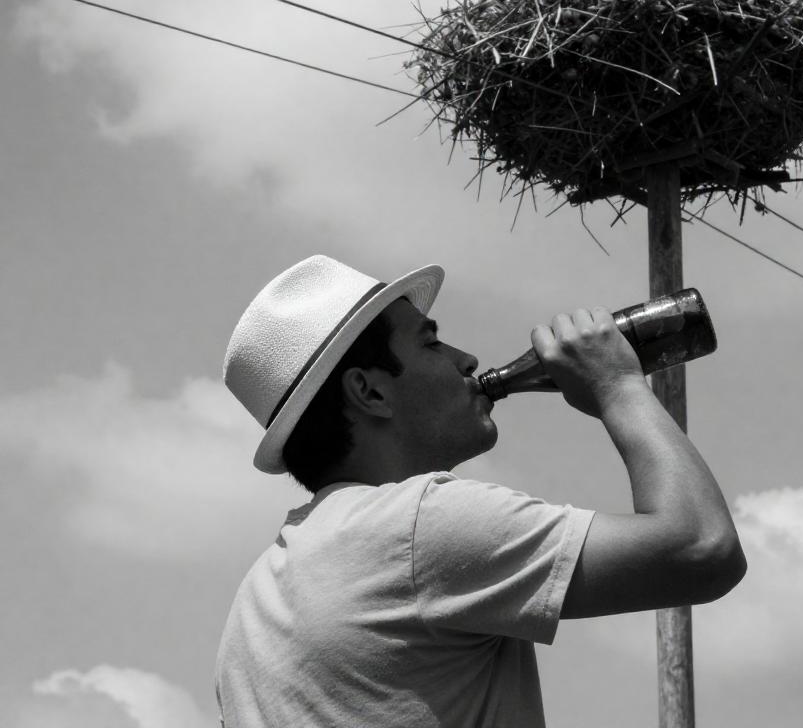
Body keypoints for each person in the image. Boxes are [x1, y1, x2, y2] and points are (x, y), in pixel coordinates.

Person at [216, 254, 745, 728]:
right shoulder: (417, 525)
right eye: (430, 343)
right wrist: (617, 385)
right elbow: (702, 546)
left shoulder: (252, 609)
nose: (466, 359)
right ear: (369, 391)